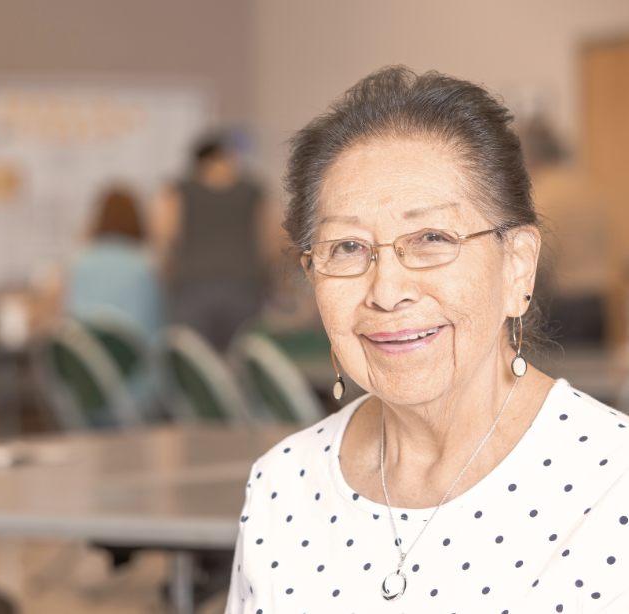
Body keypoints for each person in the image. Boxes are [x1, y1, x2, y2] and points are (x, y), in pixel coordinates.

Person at [225, 67, 629, 613]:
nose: (387, 292)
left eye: (432, 238)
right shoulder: (280, 487)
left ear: (517, 266)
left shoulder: (612, 484)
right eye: (346, 247)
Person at [154, 138, 276, 350]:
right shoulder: (253, 190)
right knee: (243, 359)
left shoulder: (179, 190)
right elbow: (270, 241)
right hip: (244, 286)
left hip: (195, 286)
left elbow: (165, 235)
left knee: (196, 362)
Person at [66, 187, 165, 339]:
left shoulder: (80, 262)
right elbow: (158, 325)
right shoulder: (148, 265)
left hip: (88, 355)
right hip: (136, 356)